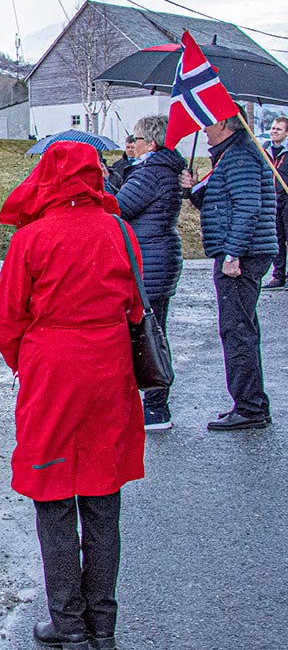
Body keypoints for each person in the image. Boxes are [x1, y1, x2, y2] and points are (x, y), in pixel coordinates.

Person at [0, 141, 145, 650]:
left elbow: (8, 317)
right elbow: (137, 308)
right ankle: (104, 626)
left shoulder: (32, 238)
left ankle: (69, 623)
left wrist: (28, 360)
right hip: (108, 367)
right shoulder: (120, 230)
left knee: (54, 492)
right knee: (103, 496)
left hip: (53, 369)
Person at [181, 113, 278, 430]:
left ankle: (249, 408)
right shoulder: (230, 155)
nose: (203, 130)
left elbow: (248, 208)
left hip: (242, 254)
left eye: (207, 123)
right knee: (241, 328)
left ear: (223, 124)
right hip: (244, 250)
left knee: (236, 330)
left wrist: (233, 253)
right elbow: (220, 204)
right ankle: (251, 403)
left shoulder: (240, 155)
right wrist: (193, 189)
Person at [114, 116, 186, 431]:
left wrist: (104, 181)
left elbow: (117, 207)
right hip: (160, 255)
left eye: (137, 137)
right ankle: (155, 405)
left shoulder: (151, 174)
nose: (133, 143)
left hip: (151, 259)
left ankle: (156, 409)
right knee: (153, 331)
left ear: (151, 143)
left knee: (149, 335)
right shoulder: (160, 171)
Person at [261, 116, 288, 288]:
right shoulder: (264, 150)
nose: (273, 131)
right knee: (276, 238)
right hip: (272, 198)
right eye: (272, 128)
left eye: (278, 129)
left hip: (287, 198)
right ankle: (278, 275)